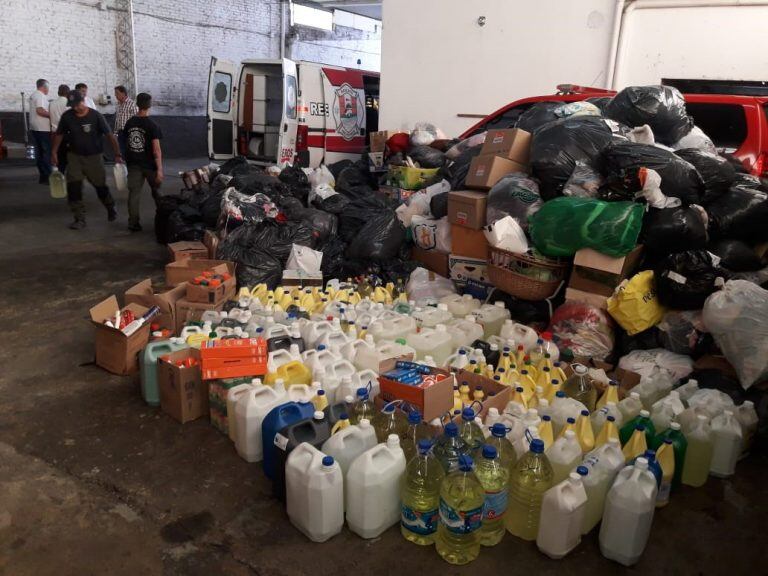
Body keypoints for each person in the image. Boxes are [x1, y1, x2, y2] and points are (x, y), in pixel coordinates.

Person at [52, 90, 123, 230]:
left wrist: (117, 154)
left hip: (94, 158)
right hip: (74, 157)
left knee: (100, 186)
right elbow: (59, 135)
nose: (76, 108)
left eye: (77, 104)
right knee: (74, 187)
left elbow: (109, 135)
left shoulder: (96, 116)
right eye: (72, 105)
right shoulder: (67, 117)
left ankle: (110, 206)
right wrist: (53, 152)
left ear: (83, 100)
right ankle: (79, 218)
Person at [123, 92, 163, 232]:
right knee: (158, 193)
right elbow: (156, 150)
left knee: (134, 195)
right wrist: (159, 170)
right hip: (150, 166)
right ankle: (163, 222)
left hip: (134, 165)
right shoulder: (153, 125)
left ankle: (133, 223)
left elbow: (126, 143)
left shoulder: (129, 123)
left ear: (137, 104)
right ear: (149, 105)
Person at [29, 79, 51, 184]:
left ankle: (43, 177)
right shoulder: (41, 95)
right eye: (48, 87)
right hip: (43, 128)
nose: (48, 90)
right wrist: (53, 115)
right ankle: (48, 177)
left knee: (39, 153)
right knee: (46, 153)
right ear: (44, 86)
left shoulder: (34, 95)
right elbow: (40, 110)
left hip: (35, 127)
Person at [48, 84, 71, 174]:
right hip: (66, 133)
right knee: (69, 156)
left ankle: (59, 174)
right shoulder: (68, 103)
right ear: (68, 93)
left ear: (58, 92)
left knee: (57, 155)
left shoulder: (51, 103)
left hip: (54, 133)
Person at [113, 85, 137, 157]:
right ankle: (123, 167)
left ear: (123, 93)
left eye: (117, 93)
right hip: (120, 133)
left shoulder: (132, 104)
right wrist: (115, 133)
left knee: (130, 153)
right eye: (115, 93)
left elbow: (136, 120)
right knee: (121, 153)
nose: (115, 95)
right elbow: (118, 120)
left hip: (130, 133)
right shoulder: (118, 105)